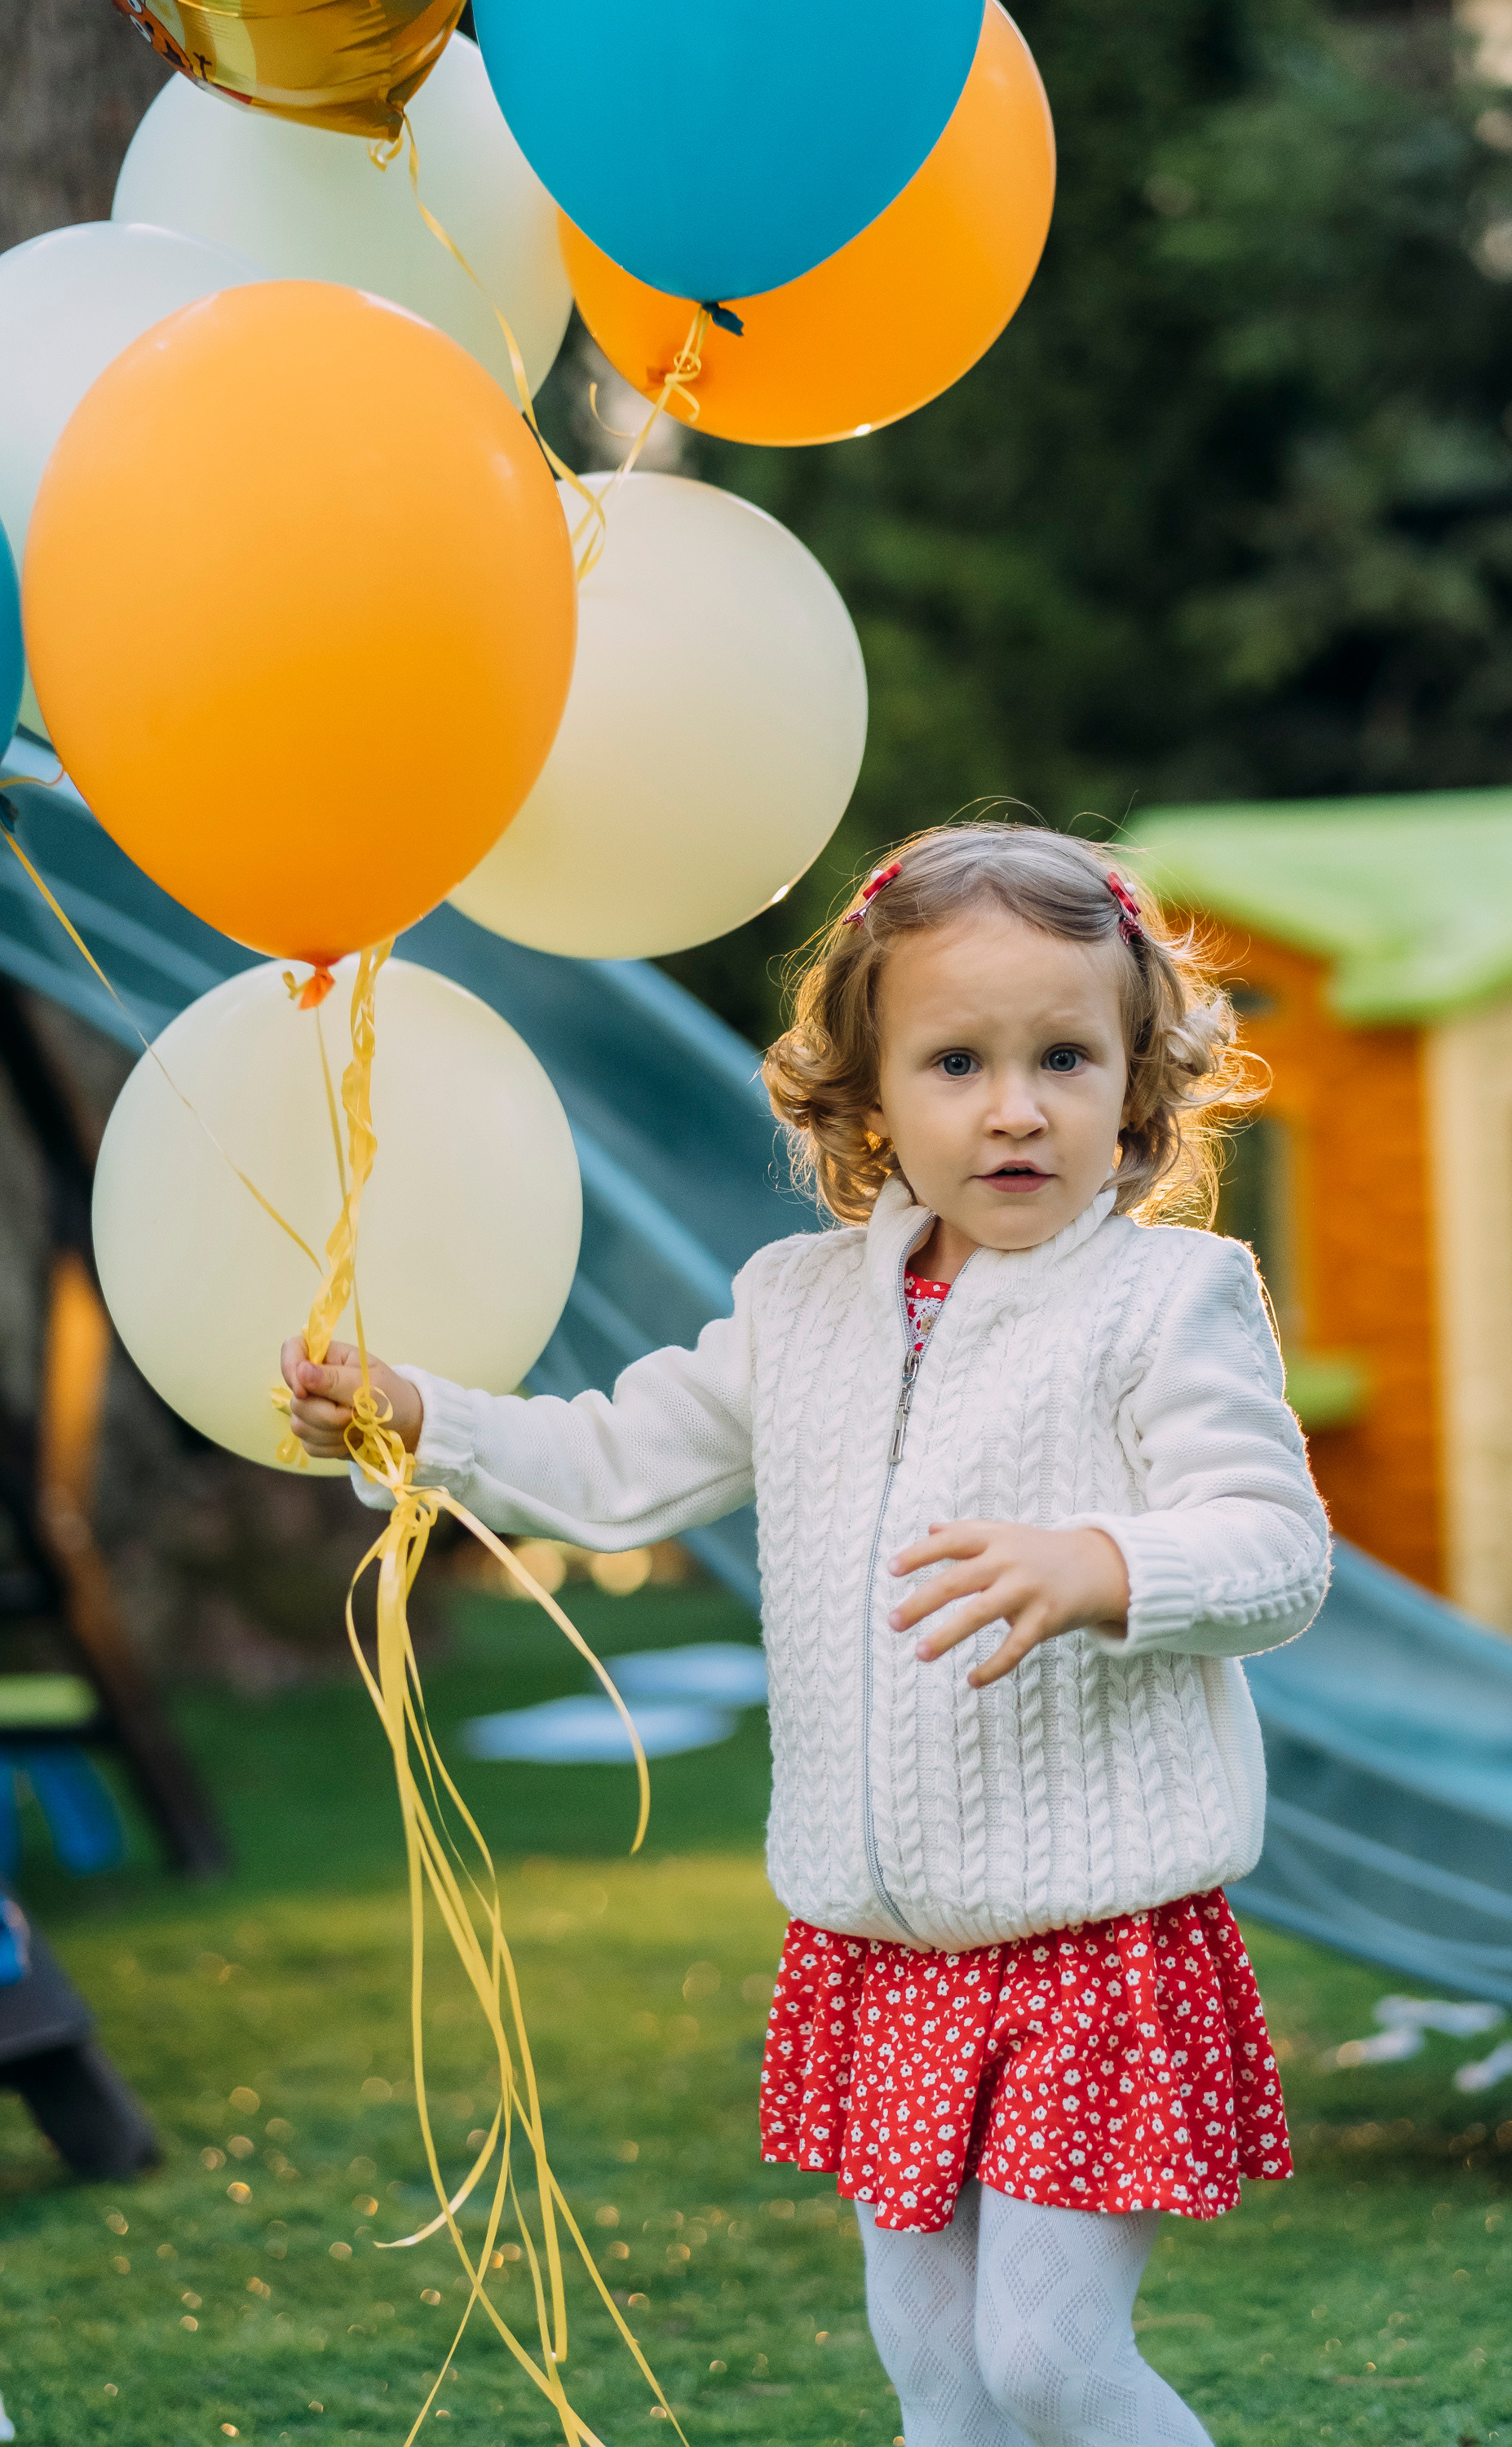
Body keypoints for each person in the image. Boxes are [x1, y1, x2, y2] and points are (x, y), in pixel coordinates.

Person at [281, 823, 1331, 2447]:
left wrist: (1106, 1561)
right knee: (935, 2371)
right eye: (956, 1060)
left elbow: (1273, 1551)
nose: (1012, 1105)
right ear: (866, 1098)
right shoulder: (798, 1307)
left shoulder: (1165, 1302)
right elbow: (618, 1463)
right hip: (880, 1946)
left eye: (1065, 1056)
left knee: (1048, 2359)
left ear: (1133, 1084)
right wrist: (424, 1419)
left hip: (1089, 1942)